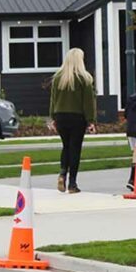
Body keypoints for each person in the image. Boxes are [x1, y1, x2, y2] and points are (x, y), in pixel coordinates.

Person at [48, 48, 97, 194]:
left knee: (66, 146)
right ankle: (72, 183)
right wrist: (91, 120)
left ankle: (62, 173)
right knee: (75, 148)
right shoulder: (84, 78)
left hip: (60, 115)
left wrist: (53, 117)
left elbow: (53, 99)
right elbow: (88, 102)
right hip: (77, 117)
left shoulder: (58, 77)